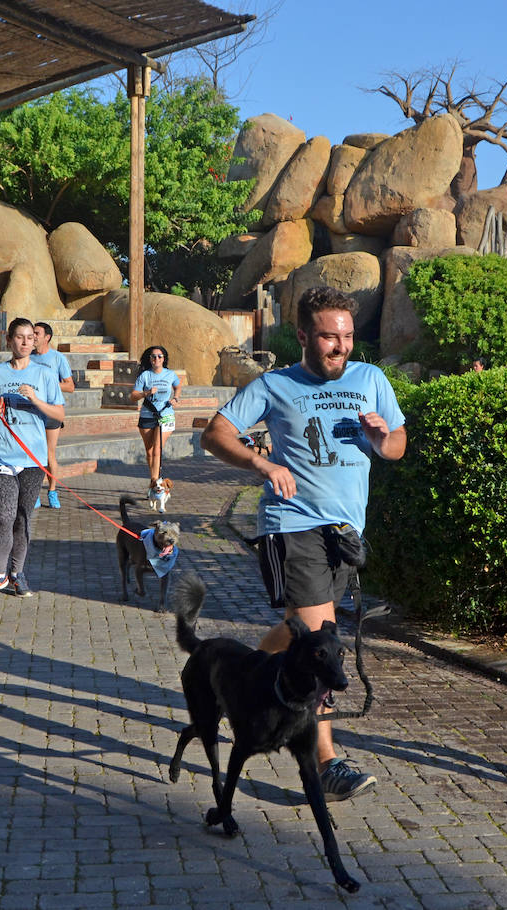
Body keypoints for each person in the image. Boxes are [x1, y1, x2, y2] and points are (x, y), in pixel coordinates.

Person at [202, 286, 406, 801]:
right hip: (291, 526)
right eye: (328, 337)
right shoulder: (275, 384)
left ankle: (234, 678)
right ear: (302, 336)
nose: (340, 346)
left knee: (299, 632)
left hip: (345, 532)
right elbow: (215, 433)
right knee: (320, 645)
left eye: (347, 336)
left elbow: (397, 446)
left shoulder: (371, 378)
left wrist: (383, 440)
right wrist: (262, 463)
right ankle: (326, 763)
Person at [0, 317, 66, 601]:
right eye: (19, 337)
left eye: (29, 337)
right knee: (4, 516)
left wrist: (36, 400)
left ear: (35, 341)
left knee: (23, 518)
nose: (25, 342)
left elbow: (59, 415)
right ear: (9, 340)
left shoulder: (45, 374)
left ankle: (17, 573)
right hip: (1, 454)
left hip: (33, 458)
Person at [31, 321, 75, 509]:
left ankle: (52, 491)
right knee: (33, 455)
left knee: (49, 454)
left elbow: (70, 386)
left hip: (51, 411)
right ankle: (34, 493)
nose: (32, 337)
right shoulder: (28, 357)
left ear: (47, 337)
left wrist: (48, 385)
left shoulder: (57, 358)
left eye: (36, 333)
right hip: (31, 412)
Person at [130, 346, 180, 490]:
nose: (156, 359)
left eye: (160, 356)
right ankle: (154, 481)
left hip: (165, 414)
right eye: (153, 356)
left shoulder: (170, 374)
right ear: (149, 359)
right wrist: (145, 393)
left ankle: (155, 483)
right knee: (150, 452)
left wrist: (176, 398)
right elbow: (133, 396)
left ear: (164, 359)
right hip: (147, 414)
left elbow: (178, 386)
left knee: (157, 449)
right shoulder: (145, 376)